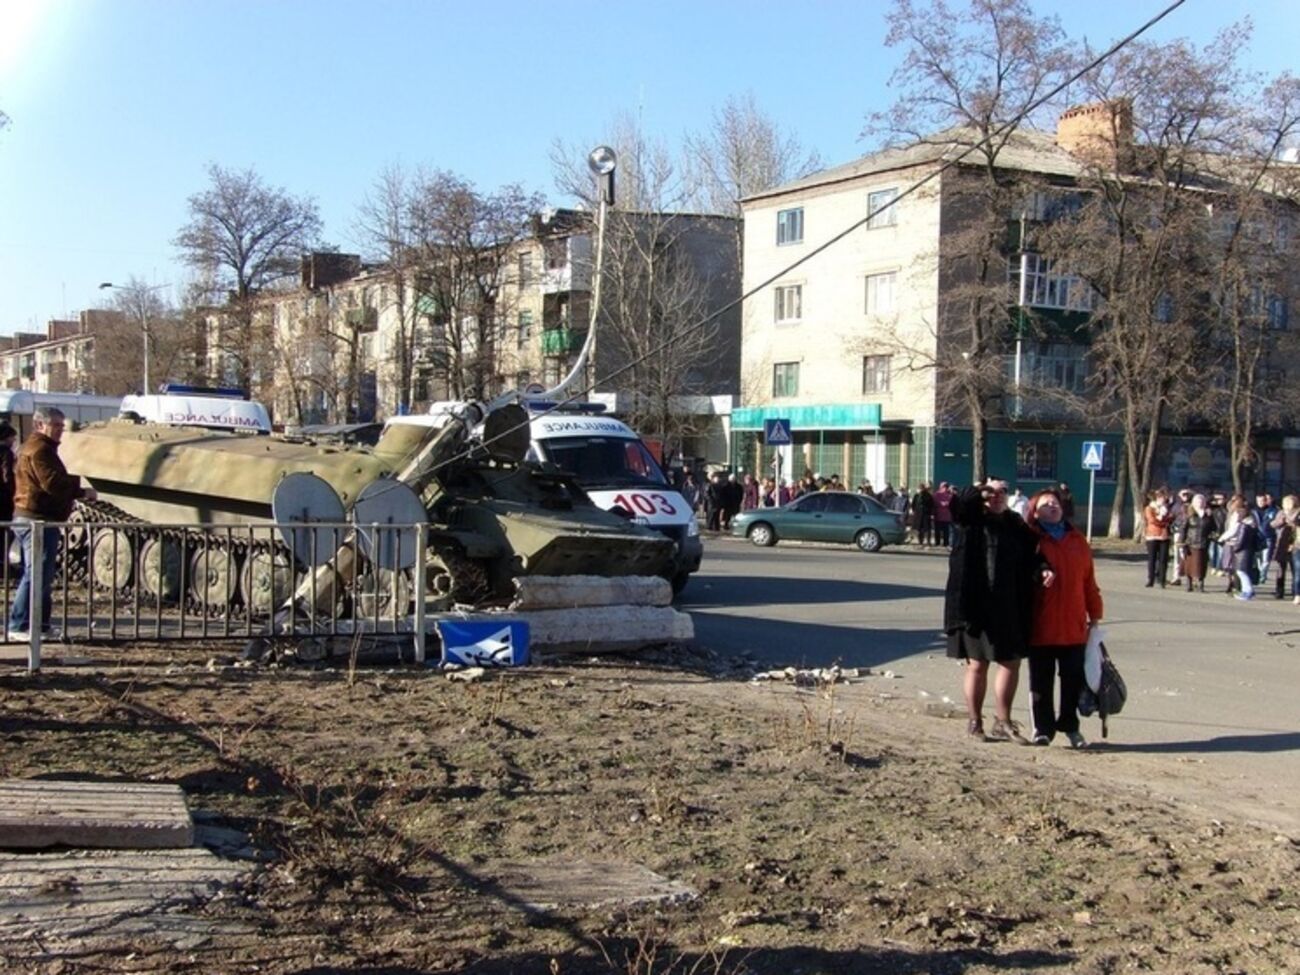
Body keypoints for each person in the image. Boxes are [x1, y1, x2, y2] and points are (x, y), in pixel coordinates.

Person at [943, 477, 1051, 744]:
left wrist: (1043, 569)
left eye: (1002, 491)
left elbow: (1032, 556)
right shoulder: (970, 519)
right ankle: (975, 721)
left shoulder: (1015, 524)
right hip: (975, 604)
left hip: (1009, 605)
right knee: (978, 664)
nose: (997, 496)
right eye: (991, 492)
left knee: (1010, 662)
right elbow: (960, 505)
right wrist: (979, 490)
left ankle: (1003, 722)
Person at [8, 407, 98, 640]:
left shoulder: (40, 448)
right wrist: (81, 491)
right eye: (55, 425)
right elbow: (52, 483)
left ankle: (40, 625)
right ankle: (19, 625)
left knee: (42, 574)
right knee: (36, 574)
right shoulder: (39, 450)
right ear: (40, 425)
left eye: (61, 426)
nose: (60, 431)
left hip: (38, 517)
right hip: (36, 518)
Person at [1024, 489, 1102, 748]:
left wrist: (1095, 615)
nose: (1052, 507)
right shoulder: (1030, 540)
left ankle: (1070, 726)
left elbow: (1088, 581)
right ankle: (1042, 729)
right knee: (1041, 681)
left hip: (1073, 624)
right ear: (1035, 512)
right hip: (1041, 624)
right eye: (1045, 504)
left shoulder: (1077, 540)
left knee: (1072, 680)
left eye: (1055, 503)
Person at [1218, 496, 1258, 600]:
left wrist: (1222, 538)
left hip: (1239, 545)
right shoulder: (1251, 515)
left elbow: (1233, 530)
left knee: (1241, 570)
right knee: (1241, 570)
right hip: (1245, 545)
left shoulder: (1239, 515)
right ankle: (1245, 590)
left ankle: (1248, 591)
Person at [1176, 493, 1214, 593]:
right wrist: (1181, 542)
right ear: (1194, 503)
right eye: (1198, 501)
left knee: (1201, 565)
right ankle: (1189, 584)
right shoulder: (1189, 515)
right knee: (1189, 565)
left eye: (1202, 501)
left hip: (1203, 543)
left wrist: (1213, 536)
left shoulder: (1208, 515)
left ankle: (1201, 585)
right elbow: (1183, 529)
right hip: (1191, 543)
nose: (1200, 503)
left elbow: (1213, 528)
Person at [1143, 489, 1174, 588]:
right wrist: (1164, 522)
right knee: (1152, 559)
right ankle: (1150, 579)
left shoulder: (1167, 508)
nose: (1162, 499)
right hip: (1152, 535)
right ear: (1156, 498)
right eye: (1160, 497)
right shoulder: (1149, 508)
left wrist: (1165, 520)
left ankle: (1162, 580)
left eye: (1164, 498)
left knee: (1163, 559)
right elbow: (1152, 520)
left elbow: (1172, 517)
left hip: (1164, 536)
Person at [1269, 495, 1298, 601]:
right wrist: (1281, 521)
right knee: (1280, 568)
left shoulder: (1297, 512)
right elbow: (1273, 524)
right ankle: (1279, 591)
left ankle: (1295, 591)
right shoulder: (1281, 513)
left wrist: (1291, 521)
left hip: (1293, 543)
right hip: (1281, 543)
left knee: (1295, 569)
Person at [0, 422, 16, 571]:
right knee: (4, 534)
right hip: (3, 499)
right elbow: (7, 476)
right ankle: (3, 565)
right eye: (13, 438)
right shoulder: (6, 453)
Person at [933, 481, 954, 547]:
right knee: (937, 530)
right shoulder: (936, 494)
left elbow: (951, 503)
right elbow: (936, 502)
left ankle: (946, 542)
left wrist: (945, 504)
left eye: (946, 486)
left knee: (946, 531)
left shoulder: (950, 495)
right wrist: (943, 503)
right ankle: (937, 542)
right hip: (938, 515)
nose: (945, 488)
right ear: (940, 487)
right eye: (943, 486)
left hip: (947, 516)